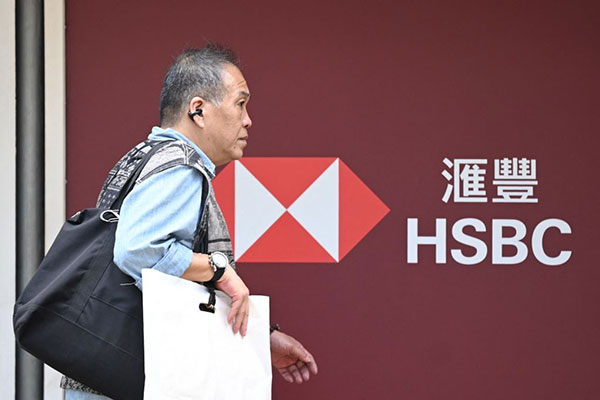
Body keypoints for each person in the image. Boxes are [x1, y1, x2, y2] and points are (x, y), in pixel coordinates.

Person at [62, 43, 318, 399]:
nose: (248, 120)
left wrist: (263, 336)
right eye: (240, 103)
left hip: (108, 372)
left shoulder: (145, 157)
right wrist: (220, 270)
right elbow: (138, 250)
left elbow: (170, 283)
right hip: (138, 378)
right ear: (198, 110)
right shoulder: (180, 167)